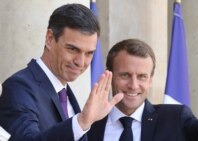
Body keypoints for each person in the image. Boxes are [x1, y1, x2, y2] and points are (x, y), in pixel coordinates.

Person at [0, 3, 123, 141]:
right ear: (50, 39)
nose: (80, 62)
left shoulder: (65, 93)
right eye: (72, 49)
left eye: (89, 53)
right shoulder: (18, 87)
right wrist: (81, 122)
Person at [87, 38, 198, 141]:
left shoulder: (175, 118)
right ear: (109, 75)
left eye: (142, 76)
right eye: (125, 75)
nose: (133, 85)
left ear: (150, 80)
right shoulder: (88, 124)